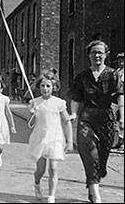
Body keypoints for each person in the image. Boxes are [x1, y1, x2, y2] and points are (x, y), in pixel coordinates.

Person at [67, 40, 124, 203]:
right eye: (94, 52)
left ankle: (93, 184)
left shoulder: (113, 74)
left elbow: (121, 95)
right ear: (88, 56)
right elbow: (76, 98)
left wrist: (122, 116)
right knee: (90, 155)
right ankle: (96, 194)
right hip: (87, 119)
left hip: (106, 119)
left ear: (106, 55)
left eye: (100, 52)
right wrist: (73, 115)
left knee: (101, 160)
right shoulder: (82, 76)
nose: (97, 55)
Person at [28, 71, 73, 203]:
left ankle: (51, 197)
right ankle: (37, 183)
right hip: (40, 138)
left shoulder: (59, 103)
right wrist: (32, 112)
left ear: (54, 86)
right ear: (39, 87)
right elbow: (30, 124)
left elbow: (67, 121)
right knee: (40, 170)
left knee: (53, 168)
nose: (45, 89)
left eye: (48, 86)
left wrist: (69, 141)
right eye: (42, 86)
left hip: (55, 138)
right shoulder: (35, 102)